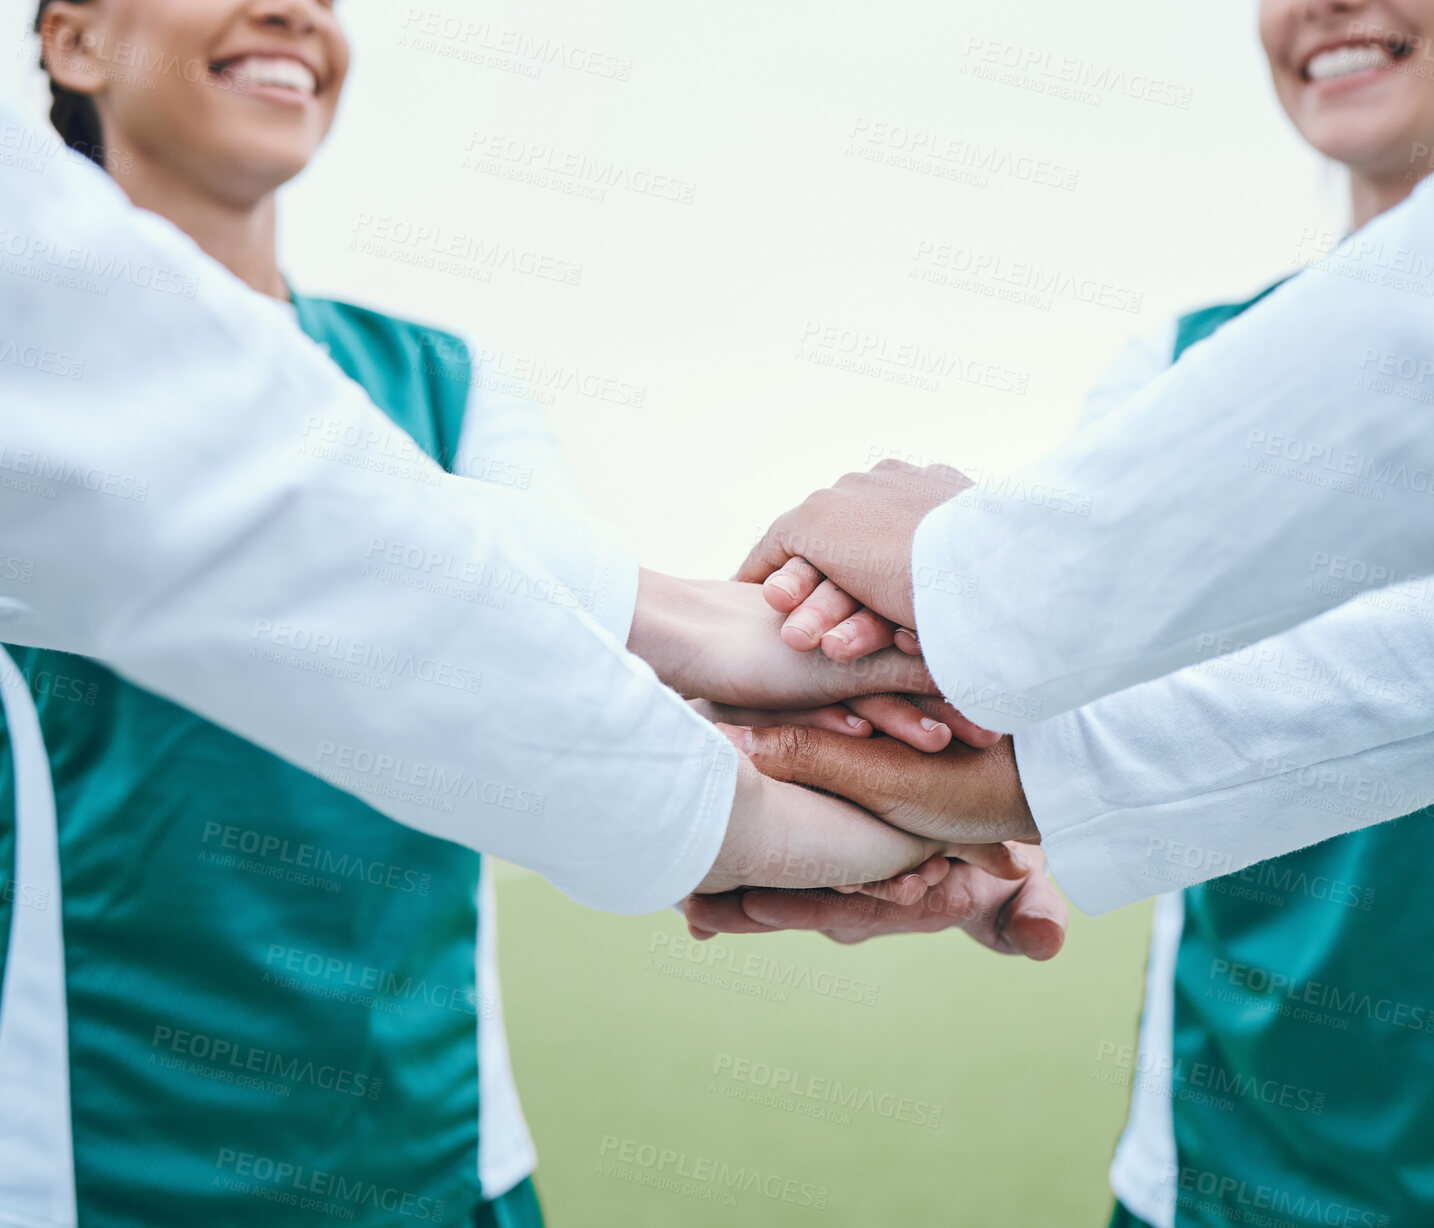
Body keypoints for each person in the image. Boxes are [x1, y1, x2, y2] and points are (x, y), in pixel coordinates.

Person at [0, 3, 1032, 1225]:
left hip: (447, 1166)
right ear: (70, 42)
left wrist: (921, 766)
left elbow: (581, 660)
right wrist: (909, 790)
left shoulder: (445, 379)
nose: (292, 11)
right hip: (101, 1173)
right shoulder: (35, 400)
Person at [694, 1, 1434, 1223]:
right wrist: (968, 829)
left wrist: (965, 639)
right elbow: (1048, 736)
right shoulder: (1172, 373)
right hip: (1222, 1170)